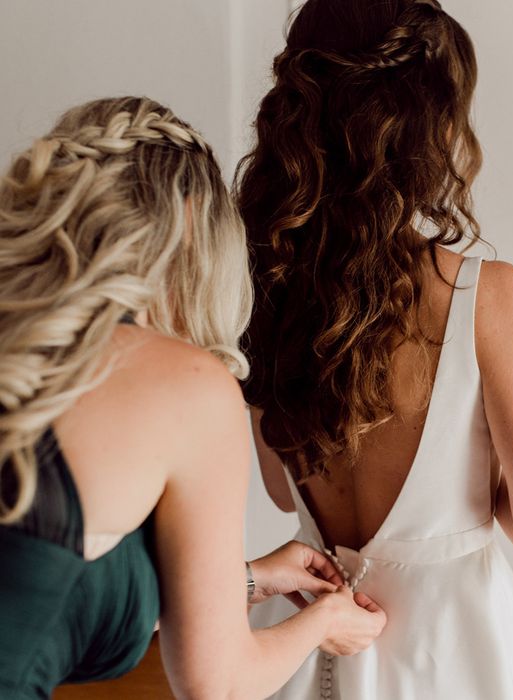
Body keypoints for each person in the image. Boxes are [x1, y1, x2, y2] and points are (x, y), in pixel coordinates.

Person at [236, 0, 513, 698]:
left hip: (314, 639)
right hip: (454, 655)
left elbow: (284, 493)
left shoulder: (263, 287)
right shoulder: (490, 298)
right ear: (428, 126)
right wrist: (478, 464)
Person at [0, 96, 386, 700]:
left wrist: (248, 580)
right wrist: (323, 624)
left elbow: (41, 579)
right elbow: (218, 685)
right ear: (187, 221)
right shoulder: (185, 384)